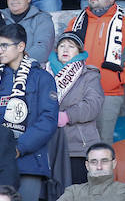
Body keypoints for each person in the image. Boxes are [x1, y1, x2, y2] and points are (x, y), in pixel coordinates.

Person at [66, 0, 125, 143]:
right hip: (76, 93)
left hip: (108, 94)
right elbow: (62, 53)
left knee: (103, 142)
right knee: (74, 142)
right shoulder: (76, 23)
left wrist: (118, 79)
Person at [0, 23, 58, 201]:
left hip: (29, 162)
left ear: (21, 47)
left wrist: (19, 148)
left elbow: (48, 120)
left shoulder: (42, 78)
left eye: (4, 45)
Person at [44, 32, 104, 185]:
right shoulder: (44, 72)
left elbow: (93, 104)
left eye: (71, 47)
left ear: (79, 52)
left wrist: (67, 116)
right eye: (62, 46)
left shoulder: (88, 75)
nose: (65, 49)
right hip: (48, 144)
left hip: (78, 147)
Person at [0, 0, 56, 65]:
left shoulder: (42, 19)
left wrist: (17, 61)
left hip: (32, 71)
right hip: (2, 71)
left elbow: (42, 49)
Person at [59, 142, 125, 201]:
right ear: (87, 165)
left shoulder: (124, 190)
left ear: (114, 164)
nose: (99, 167)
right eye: (94, 162)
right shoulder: (73, 191)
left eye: (104, 161)